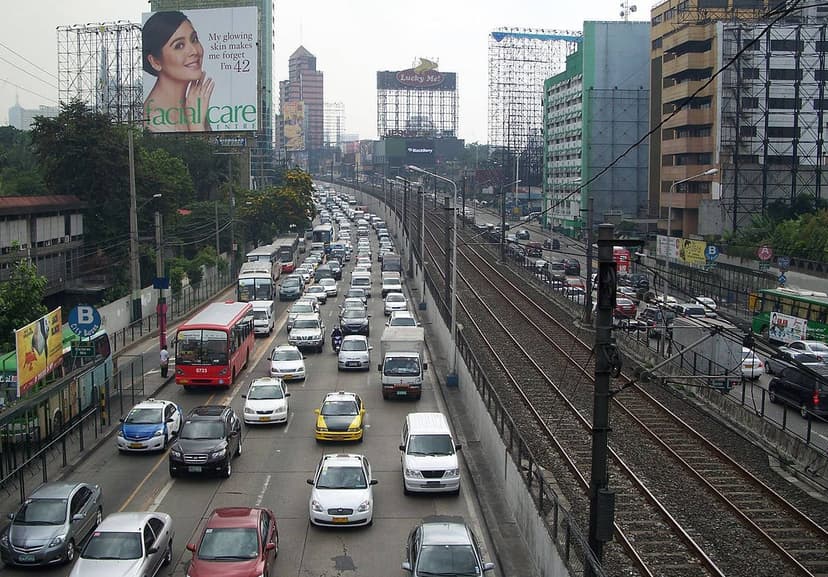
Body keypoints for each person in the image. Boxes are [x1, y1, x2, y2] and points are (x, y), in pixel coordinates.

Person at [142, 11, 213, 132]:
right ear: (155, 61)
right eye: (179, 46)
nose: (194, 51)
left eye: (194, 39)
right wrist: (196, 125)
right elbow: (201, 151)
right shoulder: (153, 120)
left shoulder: (194, 107)